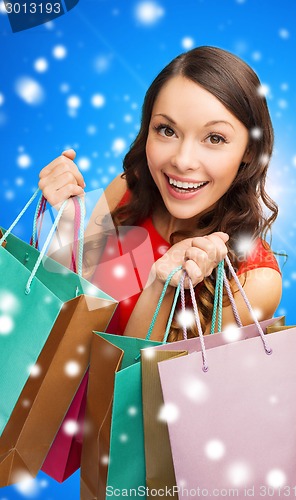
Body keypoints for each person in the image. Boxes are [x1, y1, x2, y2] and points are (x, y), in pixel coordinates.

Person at [38, 46, 282, 342]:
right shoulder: (127, 192)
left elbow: (146, 385)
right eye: (167, 130)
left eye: (214, 138)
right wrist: (66, 218)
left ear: (250, 151)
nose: (182, 160)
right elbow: (74, 316)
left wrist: (161, 289)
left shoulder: (254, 281)